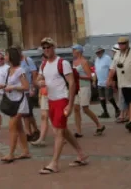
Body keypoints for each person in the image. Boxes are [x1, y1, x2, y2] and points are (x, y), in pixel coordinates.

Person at [37, 37, 90, 175]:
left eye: (48, 47)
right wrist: (39, 82)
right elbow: (39, 79)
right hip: (51, 100)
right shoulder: (43, 65)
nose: (46, 50)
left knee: (59, 132)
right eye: (44, 48)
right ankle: (81, 154)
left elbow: (71, 83)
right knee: (63, 130)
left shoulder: (62, 63)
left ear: (54, 47)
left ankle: (54, 163)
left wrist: (70, 104)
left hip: (62, 100)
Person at [0, 47, 32, 163]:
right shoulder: (9, 70)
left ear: (11, 57)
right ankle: (25, 151)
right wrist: (4, 86)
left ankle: (11, 153)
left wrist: (12, 87)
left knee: (12, 126)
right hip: (12, 101)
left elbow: (26, 87)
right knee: (19, 127)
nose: (4, 57)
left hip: (20, 102)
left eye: (6, 55)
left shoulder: (20, 70)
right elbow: (11, 83)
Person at [71, 45, 104, 137]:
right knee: (76, 109)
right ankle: (78, 131)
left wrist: (79, 76)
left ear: (79, 51)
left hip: (84, 87)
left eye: (74, 50)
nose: (72, 51)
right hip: (76, 87)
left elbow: (89, 76)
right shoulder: (74, 62)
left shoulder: (84, 62)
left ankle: (99, 125)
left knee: (85, 108)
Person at [17, 47, 40, 141]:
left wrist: (33, 87)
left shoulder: (28, 60)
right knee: (27, 114)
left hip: (28, 89)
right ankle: (34, 130)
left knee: (27, 113)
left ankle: (28, 133)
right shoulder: (16, 62)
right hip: (20, 90)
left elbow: (34, 73)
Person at [93, 46, 118, 119]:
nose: (98, 54)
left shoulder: (107, 58)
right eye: (97, 53)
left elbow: (112, 69)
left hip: (107, 81)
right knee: (101, 98)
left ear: (102, 51)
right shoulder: (96, 60)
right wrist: (94, 80)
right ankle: (105, 112)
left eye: (99, 52)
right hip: (100, 82)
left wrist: (111, 80)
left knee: (109, 97)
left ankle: (117, 109)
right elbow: (96, 71)